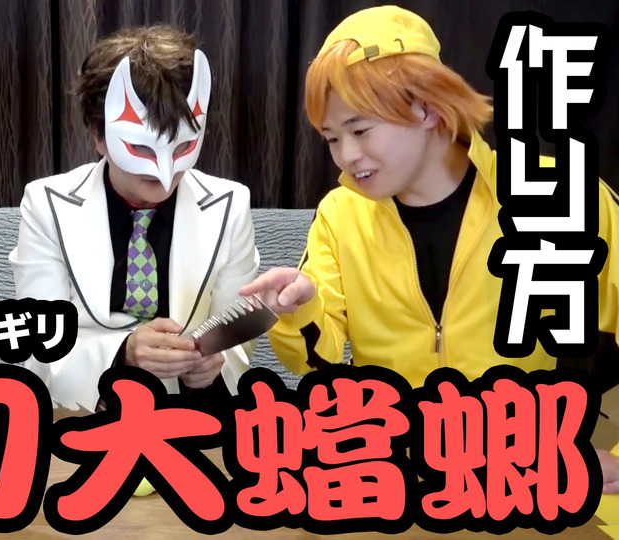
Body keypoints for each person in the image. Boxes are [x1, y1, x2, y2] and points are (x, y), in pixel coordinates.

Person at [240, 4, 619, 492]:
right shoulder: (340, 214)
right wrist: (298, 310)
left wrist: (611, 450)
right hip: (391, 478)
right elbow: (318, 361)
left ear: (428, 109)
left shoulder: (557, 196)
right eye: (332, 138)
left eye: (360, 130)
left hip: (521, 476)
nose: (346, 156)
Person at [10, 25, 260, 412]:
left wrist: (212, 367)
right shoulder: (46, 205)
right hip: (84, 416)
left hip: (191, 420)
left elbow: (236, 338)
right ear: (97, 135)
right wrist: (122, 354)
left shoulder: (230, 206)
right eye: (142, 147)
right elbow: (38, 342)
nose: (164, 171)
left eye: (182, 144)